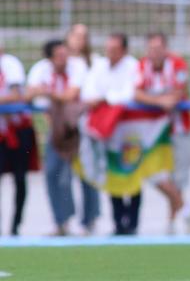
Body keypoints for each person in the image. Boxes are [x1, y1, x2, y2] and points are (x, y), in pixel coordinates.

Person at [133, 32, 190, 234]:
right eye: (151, 48)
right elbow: (136, 92)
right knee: (152, 173)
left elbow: (176, 95)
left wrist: (155, 99)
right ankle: (186, 209)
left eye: (158, 48)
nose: (155, 53)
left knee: (177, 178)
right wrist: (160, 101)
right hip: (153, 132)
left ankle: (172, 222)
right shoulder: (142, 66)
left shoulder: (177, 64)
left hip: (178, 129)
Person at [80, 33, 144, 235]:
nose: (111, 54)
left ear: (124, 50)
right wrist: (102, 99)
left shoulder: (133, 67)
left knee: (132, 173)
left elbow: (128, 94)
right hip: (107, 131)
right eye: (108, 49)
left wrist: (105, 98)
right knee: (112, 174)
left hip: (129, 131)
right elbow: (88, 92)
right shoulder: (100, 67)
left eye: (115, 50)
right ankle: (118, 222)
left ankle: (132, 222)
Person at [26, 39, 88, 235]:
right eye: (59, 55)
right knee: (53, 173)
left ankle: (88, 220)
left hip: (80, 127)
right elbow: (29, 94)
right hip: (57, 131)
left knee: (85, 174)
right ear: (50, 58)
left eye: (65, 54)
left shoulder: (77, 66)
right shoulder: (40, 70)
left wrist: (47, 92)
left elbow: (70, 95)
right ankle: (61, 221)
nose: (64, 58)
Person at [64, 23, 101, 232]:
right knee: (62, 175)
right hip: (67, 127)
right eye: (76, 35)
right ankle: (64, 220)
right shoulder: (62, 62)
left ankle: (90, 218)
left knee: (89, 172)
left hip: (88, 124)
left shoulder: (94, 62)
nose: (80, 40)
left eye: (84, 36)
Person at [0, 42, 39, 236]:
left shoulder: (10, 64)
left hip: (17, 130)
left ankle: (16, 225)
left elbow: (16, 95)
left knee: (19, 177)